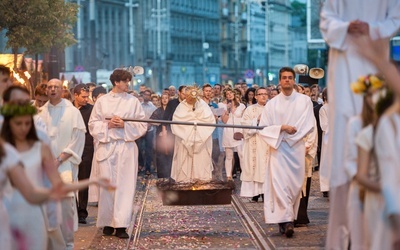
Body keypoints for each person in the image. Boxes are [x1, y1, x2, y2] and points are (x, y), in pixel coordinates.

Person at [319, 0, 400, 246]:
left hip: (374, 50)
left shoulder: (388, 120)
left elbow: (394, 19)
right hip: (345, 59)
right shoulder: (357, 125)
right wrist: (346, 27)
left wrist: (371, 29)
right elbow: (327, 20)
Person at [1, 101, 114, 250]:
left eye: (27, 123)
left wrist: (92, 182)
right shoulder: (6, 152)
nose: (23, 128)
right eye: (18, 123)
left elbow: (54, 186)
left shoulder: (41, 149)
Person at [89, 68, 147, 238]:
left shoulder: (133, 101)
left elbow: (142, 124)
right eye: (125, 81)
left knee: (125, 186)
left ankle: (121, 225)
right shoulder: (102, 101)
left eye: (129, 81)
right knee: (107, 186)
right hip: (107, 146)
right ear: (116, 82)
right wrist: (108, 125)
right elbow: (93, 124)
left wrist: (125, 125)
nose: (128, 84)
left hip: (126, 146)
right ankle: (107, 222)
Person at [258, 67, 314, 238]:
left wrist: (292, 136)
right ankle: (287, 221)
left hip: (296, 148)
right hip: (278, 149)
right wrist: (282, 129)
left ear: (294, 80)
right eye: (284, 78)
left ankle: (286, 219)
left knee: (295, 186)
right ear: (280, 81)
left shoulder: (305, 101)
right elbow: (264, 127)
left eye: (290, 77)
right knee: (279, 185)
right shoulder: (272, 104)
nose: (287, 80)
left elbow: (308, 123)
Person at [39, 79, 86, 249]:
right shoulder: (40, 113)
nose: (52, 89)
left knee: (65, 204)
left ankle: (67, 243)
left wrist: (59, 159)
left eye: (56, 87)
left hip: (64, 164)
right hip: (44, 167)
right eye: (49, 87)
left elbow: (77, 139)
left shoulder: (73, 112)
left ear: (62, 90)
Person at [170, 86, 215, 182]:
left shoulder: (202, 105)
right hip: (185, 138)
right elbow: (177, 121)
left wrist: (197, 124)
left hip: (201, 138)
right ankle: (184, 179)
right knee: (185, 160)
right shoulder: (181, 106)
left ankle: (201, 178)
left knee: (201, 159)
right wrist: (190, 125)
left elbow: (209, 120)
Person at [240, 87, 269, 202]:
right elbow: (244, 125)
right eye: (261, 94)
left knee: (265, 168)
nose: (263, 96)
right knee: (254, 167)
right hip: (254, 142)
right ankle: (255, 193)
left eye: (265, 94)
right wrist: (256, 121)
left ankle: (265, 192)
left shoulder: (272, 109)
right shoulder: (250, 109)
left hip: (267, 143)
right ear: (256, 96)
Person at [72, 84, 94, 224]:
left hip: (86, 149)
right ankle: (73, 208)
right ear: (76, 95)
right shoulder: (68, 109)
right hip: (70, 149)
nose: (86, 99)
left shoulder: (91, 110)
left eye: (87, 96)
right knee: (71, 180)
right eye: (83, 97)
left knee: (83, 180)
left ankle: (82, 212)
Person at [159, 85, 186, 178]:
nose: (185, 95)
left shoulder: (189, 104)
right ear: (179, 92)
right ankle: (171, 176)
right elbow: (165, 119)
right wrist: (164, 134)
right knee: (171, 154)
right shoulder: (172, 103)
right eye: (183, 93)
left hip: (185, 134)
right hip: (172, 132)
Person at [219, 87, 246, 180]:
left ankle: (244, 175)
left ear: (234, 94)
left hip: (239, 132)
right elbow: (225, 121)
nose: (229, 95)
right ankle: (228, 176)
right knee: (229, 155)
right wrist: (227, 110)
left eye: (231, 93)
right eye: (227, 94)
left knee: (241, 154)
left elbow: (244, 119)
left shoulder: (242, 106)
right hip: (228, 132)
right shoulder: (222, 106)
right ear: (225, 96)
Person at [202, 84, 221, 180]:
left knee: (214, 155)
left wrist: (215, 118)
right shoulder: (199, 104)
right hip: (202, 135)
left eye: (210, 91)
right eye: (206, 91)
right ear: (203, 92)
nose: (208, 93)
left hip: (213, 134)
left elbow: (217, 120)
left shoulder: (214, 105)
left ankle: (213, 176)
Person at [149, 93, 170, 178]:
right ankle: (161, 175)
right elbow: (150, 120)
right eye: (163, 98)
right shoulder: (158, 110)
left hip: (170, 134)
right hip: (160, 133)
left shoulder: (172, 111)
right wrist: (159, 124)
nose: (164, 100)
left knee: (170, 153)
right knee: (160, 153)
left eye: (166, 98)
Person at [137, 89, 157, 175]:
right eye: (145, 94)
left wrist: (149, 125)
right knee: (139, 149)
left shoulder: (153, 107)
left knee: (149, 150)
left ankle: (148, 168)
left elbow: (155, 118)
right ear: (143, 95)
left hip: (150, 130)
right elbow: (137, 117)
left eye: (148, 95)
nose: (146, 96)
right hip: (140, 130)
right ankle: (140, 165)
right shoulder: (139, 106)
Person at [319, 88, 329, 197]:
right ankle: (326, 187)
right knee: (326, 162)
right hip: (328, 138)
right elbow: (324, 125)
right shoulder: (324, 109)